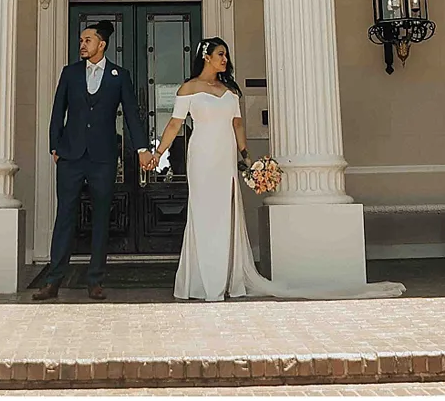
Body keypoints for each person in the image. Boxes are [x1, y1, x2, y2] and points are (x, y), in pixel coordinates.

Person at [146, 37, 406, 302]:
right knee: (203, 216)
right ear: (206, 57)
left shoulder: (231, 91)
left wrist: (248, 158)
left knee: (226, 216)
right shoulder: (188, 89)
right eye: (221, 54)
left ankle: (227, 280)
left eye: (226, 55)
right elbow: (174, 126)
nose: (225, 59)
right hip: (201, 158)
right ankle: (201, 282)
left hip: (225, 160)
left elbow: (237, 126)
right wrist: (157, 153)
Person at [35, 20, 153, 301]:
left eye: (88, 40)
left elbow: (133, 115)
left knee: (101, 218)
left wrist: (142, 149)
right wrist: (55, 145)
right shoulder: (70, 73)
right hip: (70, 156)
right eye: (81, 40)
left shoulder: (119, 75)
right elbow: (57, 111)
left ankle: (95, 280)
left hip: (102, 158)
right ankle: (53, 280)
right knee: (65, 216)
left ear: (102, 44)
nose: (82, 44)